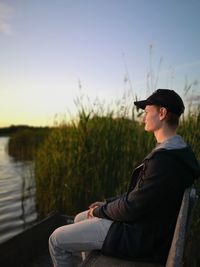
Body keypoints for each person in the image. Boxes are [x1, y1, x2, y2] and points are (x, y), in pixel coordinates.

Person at [49, 89, 200, 267]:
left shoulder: (164, 160)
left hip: (139, 237)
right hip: (146, 227)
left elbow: (132, 207)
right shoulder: (178, 151)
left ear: (162, 113)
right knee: (80, 218)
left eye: (146, 112)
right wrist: (106, 203)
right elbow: (140, 195)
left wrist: (99, 211)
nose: (143, 118)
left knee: (56, 240)